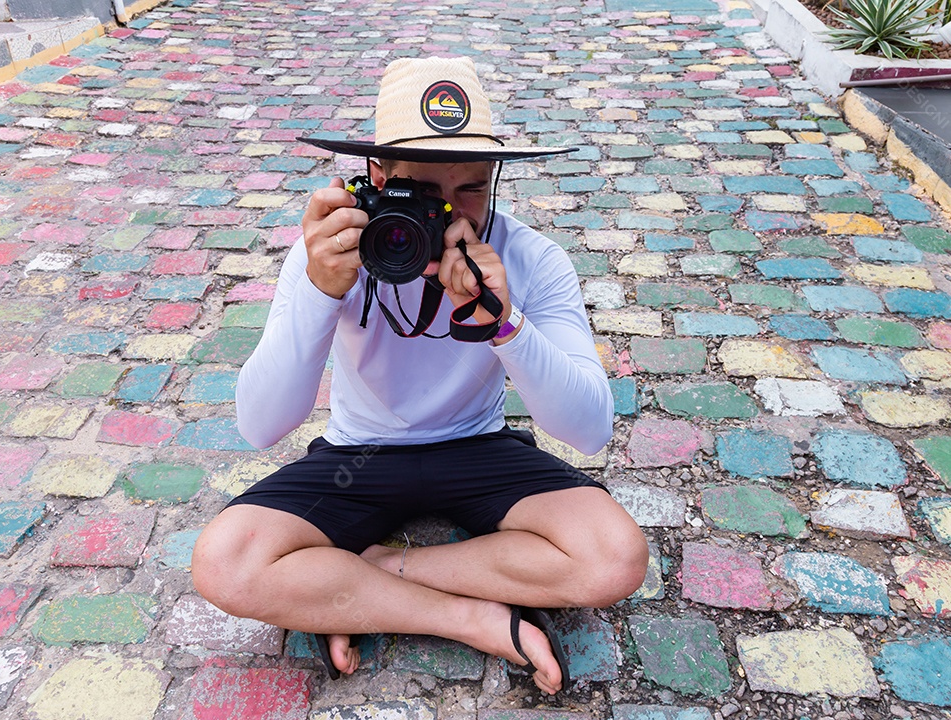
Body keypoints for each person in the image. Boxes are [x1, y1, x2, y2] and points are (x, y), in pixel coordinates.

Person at [191, 56, 648, 696]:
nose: (451, 215)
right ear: (379, 178)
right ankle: (465, 618)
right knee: (225, 562)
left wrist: (505, 324)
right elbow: (261, 424)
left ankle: (370, 578)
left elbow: (590, 429)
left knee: (615, 557)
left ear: (494, 180)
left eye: (472, 189)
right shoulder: (333, 252)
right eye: (427, 191)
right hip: (359, 452)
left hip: (479, 446)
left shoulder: (531, 257)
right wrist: (320, 292)